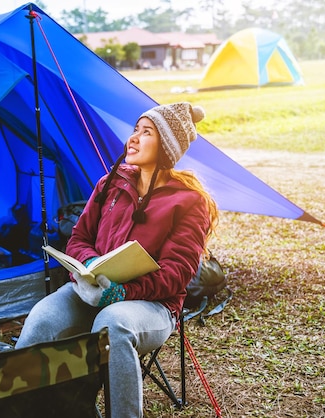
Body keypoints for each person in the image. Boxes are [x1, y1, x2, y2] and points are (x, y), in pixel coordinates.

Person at [15, 102, 218, 417]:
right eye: (135, 130)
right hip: (92, 291)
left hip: (152, 305)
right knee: (42, 319)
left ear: (166, 146)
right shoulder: (110, 183)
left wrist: (124, 291)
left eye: (146, 132)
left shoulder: (190, 202)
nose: (133, 139)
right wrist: (92, 265)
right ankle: (17, 409)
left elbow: (176, 274)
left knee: (112, 324)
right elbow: (78, 239)